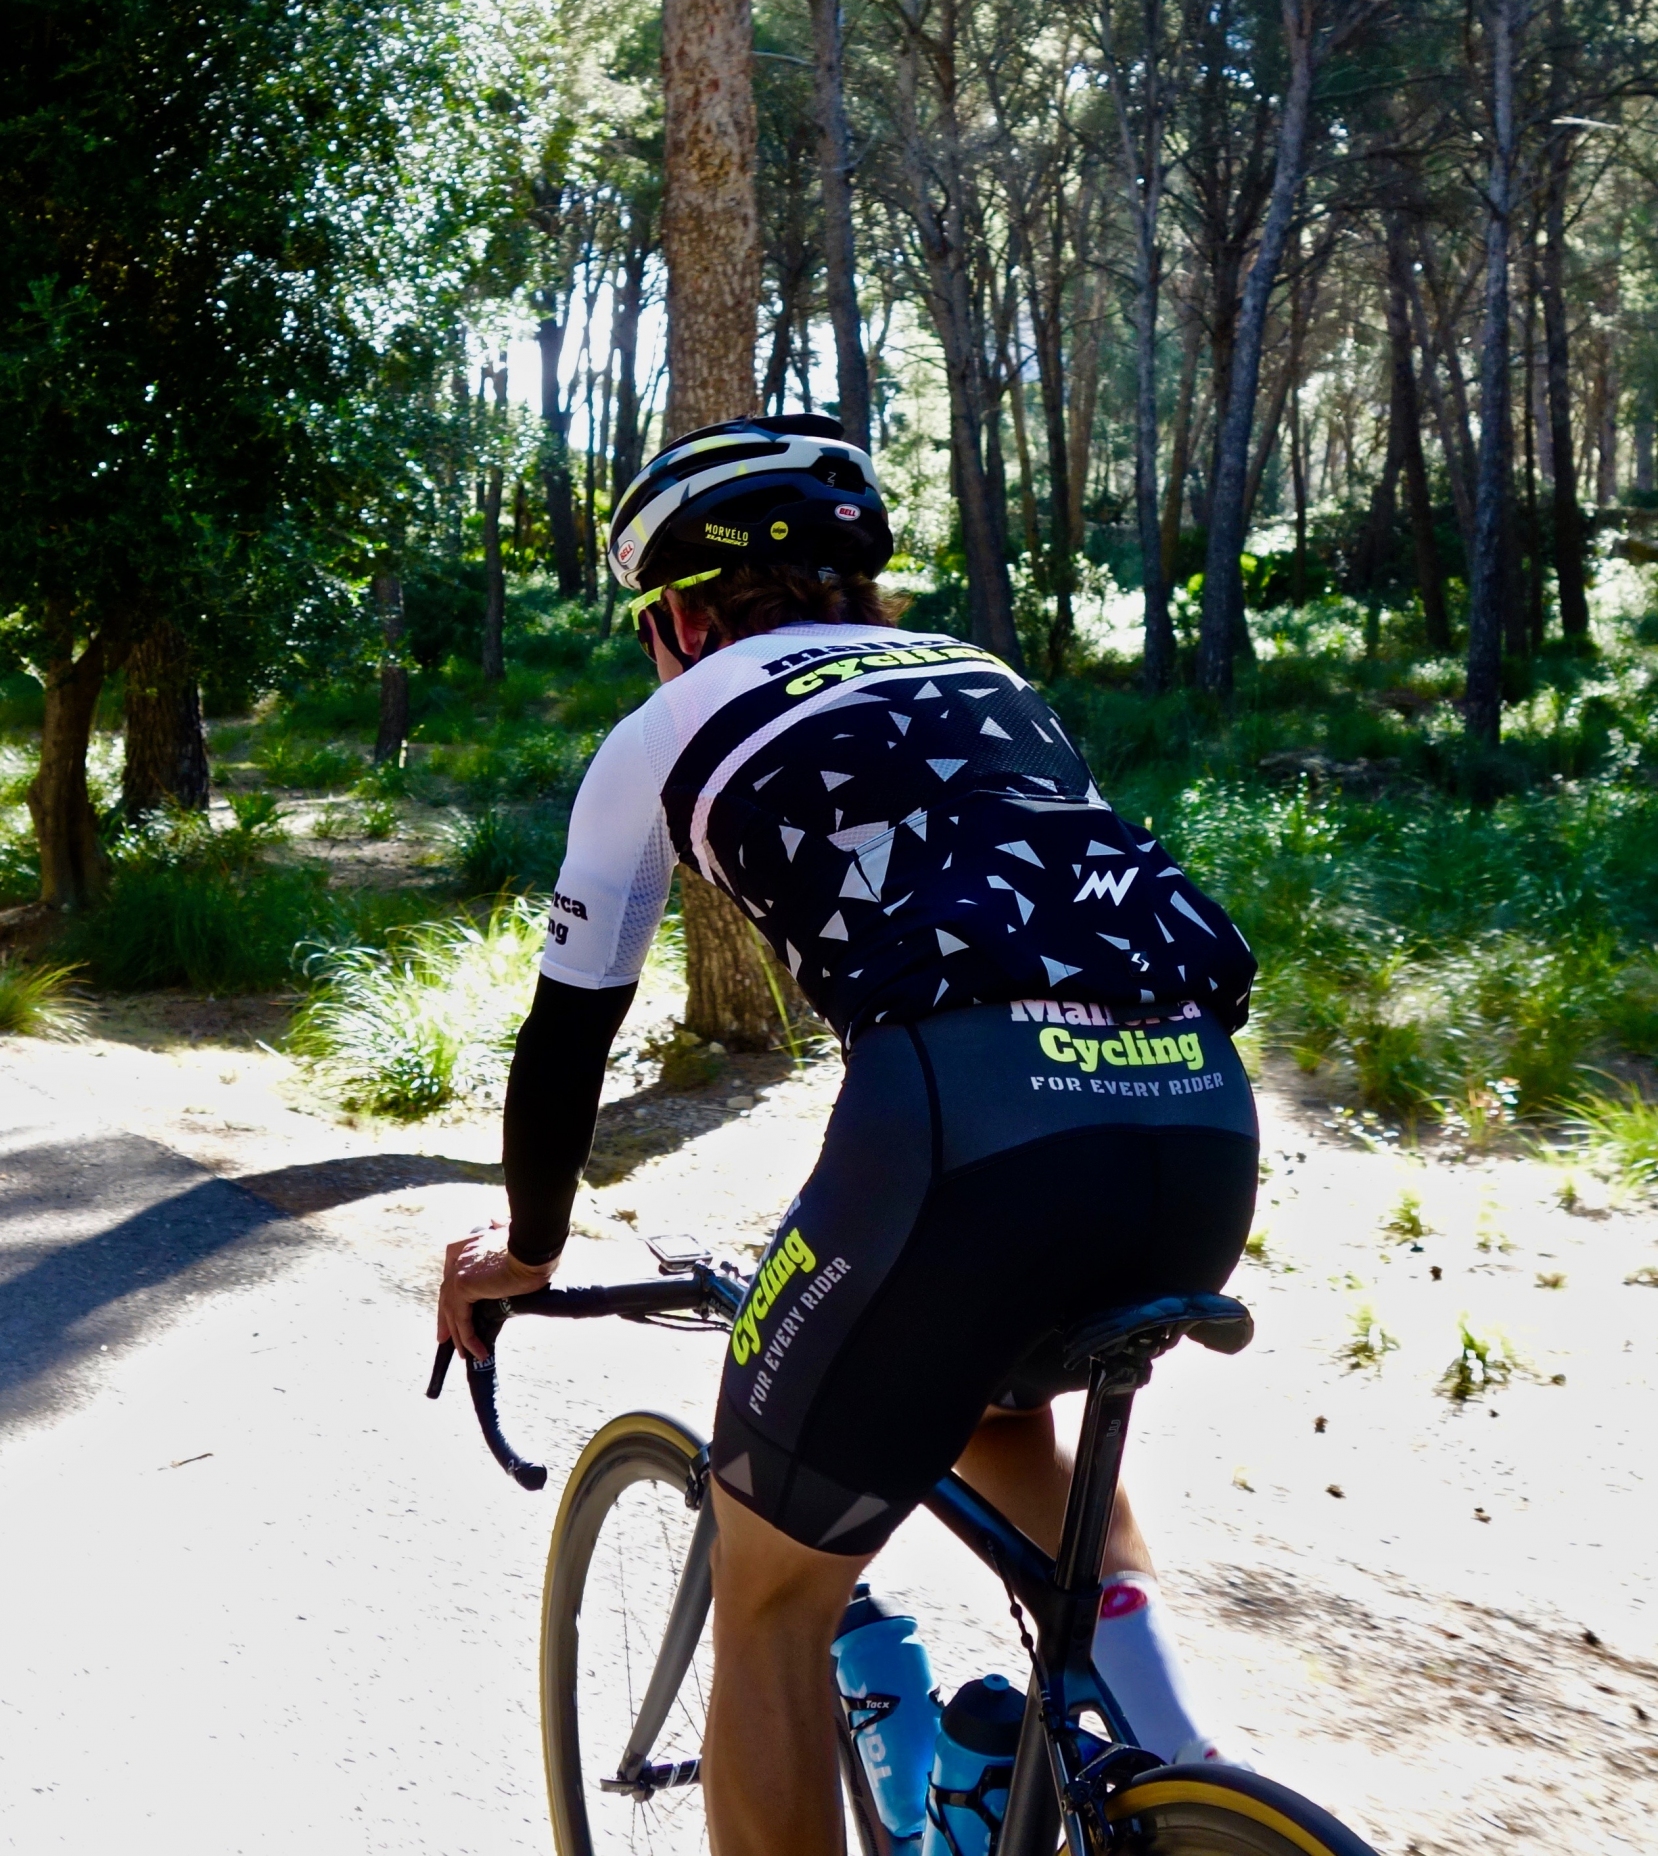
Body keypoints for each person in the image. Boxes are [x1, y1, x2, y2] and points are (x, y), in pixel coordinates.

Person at [437, 413, 1260, 1856]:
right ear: (862, 590)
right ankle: (1181, 1768)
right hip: (1196, 1125)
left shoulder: (662, 729)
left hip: (961, 1140)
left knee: (771, 1599)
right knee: (1003, 1406)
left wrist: (529, 1247)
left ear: (677, 618)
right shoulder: (986, 677)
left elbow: (570, 1035)